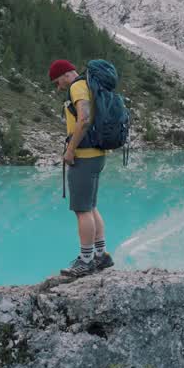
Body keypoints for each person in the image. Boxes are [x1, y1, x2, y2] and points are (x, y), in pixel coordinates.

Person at [48, 59, 115, 278]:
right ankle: (101, 255)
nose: (59, 87)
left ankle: (86, 261)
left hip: (84, 155)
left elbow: (84, 119)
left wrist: (70, 150)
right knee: (91, 205)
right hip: (97, 154)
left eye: (58, 81)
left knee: (82, 209)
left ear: (66, 74)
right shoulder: (89, 85)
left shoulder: (77, 86)